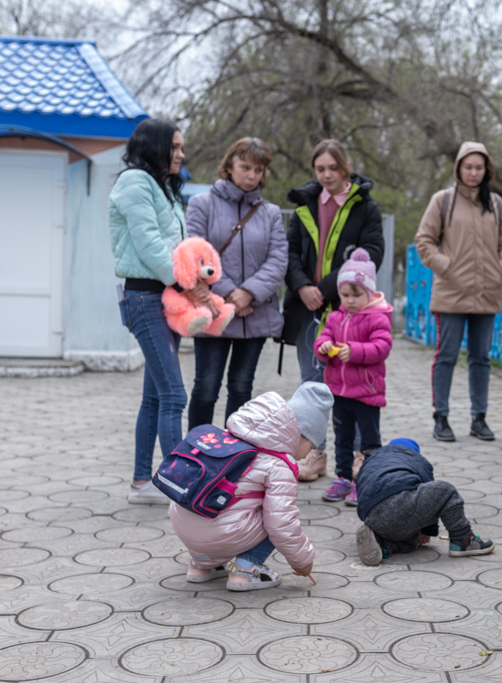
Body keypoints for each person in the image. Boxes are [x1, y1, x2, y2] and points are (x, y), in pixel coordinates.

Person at [110, 118, 206, 505]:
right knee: (174, 396)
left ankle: (142, 483)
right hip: (145, 298)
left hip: (165, 298)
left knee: (155, 397)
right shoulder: (135, 182)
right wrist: (187, 284)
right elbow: (149, 243)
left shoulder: (162, 185)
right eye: (175, 147)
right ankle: (178, 486)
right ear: (156, 147)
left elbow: (175, 244)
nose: (182, 154)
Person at [283, 139, 385, 480]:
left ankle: (358, 458)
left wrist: (326, 289)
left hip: (350, 310)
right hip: (307, 308)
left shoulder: (365, 207)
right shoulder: (305, 204)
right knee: (312, 384)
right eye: (320, 169)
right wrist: (302, 287)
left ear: (346, 168)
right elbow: (290, 251)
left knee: (352, 386)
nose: (327, 175)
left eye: (333, 168)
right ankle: (316, 455)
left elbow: (372, 252)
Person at [169, 383, 333, 590]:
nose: (307, 455)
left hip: (183, 523)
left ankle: (201, 565)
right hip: (219, 534)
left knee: (231, 505)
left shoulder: (229, 437)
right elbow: (281, 525)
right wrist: (303, 561)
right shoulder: (278, 465)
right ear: (300, 435)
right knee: (275, 516)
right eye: (311, 447)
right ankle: (246, 569)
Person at [186, 137, 288, 429]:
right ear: (229, 165)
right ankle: (198, 449)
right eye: (245, 167)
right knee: (206, 388)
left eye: (258, 170)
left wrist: (249, 293)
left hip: (254, 313)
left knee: (242, 389)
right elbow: (196, 253)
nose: (252, 175)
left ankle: (234, 450)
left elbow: (278, 259)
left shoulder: (270, 213)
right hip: (214, 310)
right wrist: (231, 293)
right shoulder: (201, 204)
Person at [415, 141, 502, 443]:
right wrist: (447, 267)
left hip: (487, 292)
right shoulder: (442, 200)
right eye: (468, 167)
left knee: (481, 358)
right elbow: (424, 241)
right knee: (446, 356)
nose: (473, 172)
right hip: (451, 293)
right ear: (458, 169)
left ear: (487, 170)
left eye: (479, 167)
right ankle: (441, 417)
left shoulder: (495, 203)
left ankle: (479, 419)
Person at [313, 249, 393, 506]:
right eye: (345, 295)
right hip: (339, 392)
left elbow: (382, 347)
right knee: (342, 438)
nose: (349, 300)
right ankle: (343, 478)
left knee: (369, 441)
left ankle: (368, 481)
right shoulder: (335, 318)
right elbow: (322, 340)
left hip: (367, 393)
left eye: (356, 295)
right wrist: (324, 346)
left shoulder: (377, 318)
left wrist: (355, 351)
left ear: (369, 292)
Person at [353, 438, 494, 565]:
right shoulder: (416, 459)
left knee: (410, 535)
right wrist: (428, 531)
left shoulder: (370, 461)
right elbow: (432, 494)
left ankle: (382, 542)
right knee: (446, 491)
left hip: (371, 516)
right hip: (398, 504)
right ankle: (463, 541)